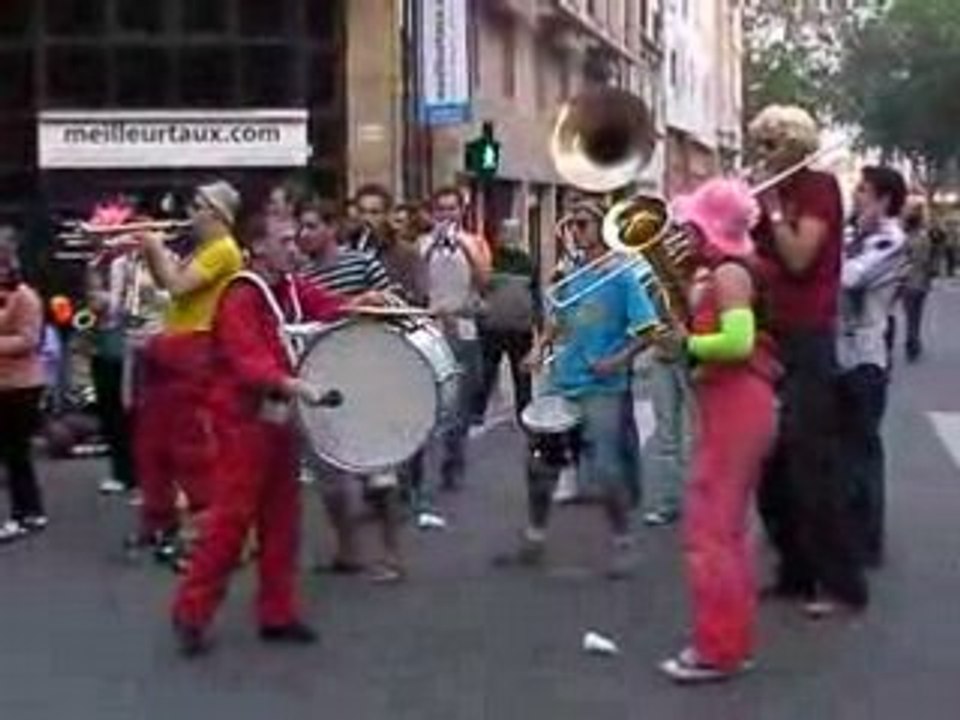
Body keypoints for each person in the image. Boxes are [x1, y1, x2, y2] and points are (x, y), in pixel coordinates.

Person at [171, 214, 385, 657]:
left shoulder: (288, 287)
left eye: (295, 238)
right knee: (231, 522)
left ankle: (277, 613)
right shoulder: (242, 295)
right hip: (242, 422)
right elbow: (249, 363)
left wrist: (368, 301)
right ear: (258, 247)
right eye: (284, 240)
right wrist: (300, 388)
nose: (295, 246)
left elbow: (327, 305)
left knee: (283, 521)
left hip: (277, 419)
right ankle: (191, 612)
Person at [658, 179, 780, 683]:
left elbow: (737, 341)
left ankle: (718, 649)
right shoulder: (724, 272)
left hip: (737, 405)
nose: (682, 233)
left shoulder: (730, 273)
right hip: (732, 405)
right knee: (722, 529)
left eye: (690, 225)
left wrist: (687, 345)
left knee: (712, 530)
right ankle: (729, 641)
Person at [749, 105, 868, 615]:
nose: (763, 154)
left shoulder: (817, 188)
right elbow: (755, 258)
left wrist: (772, 205)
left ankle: (838, 584)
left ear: (797, 146)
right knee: (769, 465)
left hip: (809, 336)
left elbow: (798, 256)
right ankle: (794, 571)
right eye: (761, 144)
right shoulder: (766, 194)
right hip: (768, 333)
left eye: (772, 144)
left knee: (811, 463)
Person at [497, 200, 655, 577]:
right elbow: (558, 321)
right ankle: (534, 538)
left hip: (602, 387)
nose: (575, 231)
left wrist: (616, 361)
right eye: (572, 224)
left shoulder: (622, 277)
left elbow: (648, 330)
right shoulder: (571, 273)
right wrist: (539, 350)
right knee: (539, 465)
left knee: (605, 470)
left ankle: (622, 543)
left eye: (583, 223)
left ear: (603, 228)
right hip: (562, 382)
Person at [131, 181, 245, 566]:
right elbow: (171, 291)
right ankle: (159, 521)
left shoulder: (223, 250)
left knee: (192, 447)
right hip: (174, 349)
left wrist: (153, 247)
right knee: (154, 442)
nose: (190, 211)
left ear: (217, 212)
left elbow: (178, 286)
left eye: (198, 204)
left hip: (196, 354)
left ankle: (206, 537)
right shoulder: (204, 249)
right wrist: (149, 257)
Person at [296, 197, 407, 582]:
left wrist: (368, 305)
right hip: (326, 376)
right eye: (301, 227)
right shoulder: (301, 275)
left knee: (379, 473)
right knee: (330, 476)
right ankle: (348, 550)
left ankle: (391, 556)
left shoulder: (362, 263)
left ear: (331, 228)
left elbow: (395, 305)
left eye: (311, 226)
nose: (303, 234)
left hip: (368, 372)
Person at [836, 167, 909, 569]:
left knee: (863, 449)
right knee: (843, 449)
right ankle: (845, 530)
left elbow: (849, 279)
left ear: (883, 199)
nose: (856, 195)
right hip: (838, 353)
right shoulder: (852, 236)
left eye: (863, 190)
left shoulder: (891, 240)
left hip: (866, 357)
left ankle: (867, 542)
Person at [420, 186, 491, 489]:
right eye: (441, 209)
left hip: (464, 328)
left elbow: (485, 280)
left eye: (452, 209)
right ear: (433, 213)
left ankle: (454, 461)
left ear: (461, 212)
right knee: (429, 400)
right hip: (432, 328)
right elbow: (417, 283)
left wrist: (464, 246)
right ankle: (420, 468)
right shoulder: (423, 244)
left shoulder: (474, 242)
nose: (447, 215)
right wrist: (428, 248)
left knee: (460, 403)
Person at [0, 229, 47, 543]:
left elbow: (29, 340)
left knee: (16, 453)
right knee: (12, 454)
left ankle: (24, 514)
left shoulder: (26, 296)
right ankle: (30, 511)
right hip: (4, 384)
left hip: (22, 386)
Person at [476, 218, 535, 423]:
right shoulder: (488, 259)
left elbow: (534, 292)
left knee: (522, 376)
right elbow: (478, 288)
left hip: (521, 329)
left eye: (514, 233)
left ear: (519, 236)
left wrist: (539, 322)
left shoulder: (527, 261)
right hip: (493, 327)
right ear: (500, 235)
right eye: (506, 233)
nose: (509, 237)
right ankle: (478, 411)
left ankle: (525, 414)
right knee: (486, 371)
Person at [901, 202, 935, 362]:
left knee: (909, 315)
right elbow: (928, 262)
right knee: (917, 315)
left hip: (907, 281)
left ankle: (911, 342)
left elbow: (900, 262)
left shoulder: (904, 240)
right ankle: (914, 341)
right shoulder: (925, 239)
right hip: (921, 282)